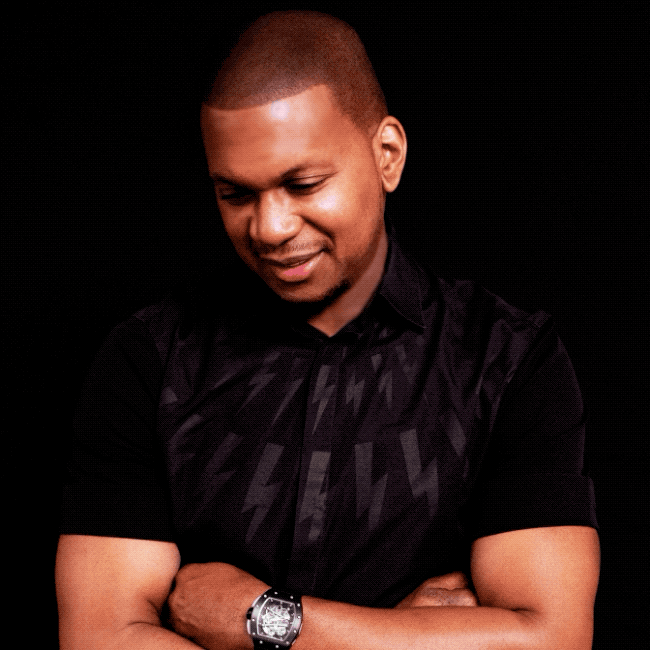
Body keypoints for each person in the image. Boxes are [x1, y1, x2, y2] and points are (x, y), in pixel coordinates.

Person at [56, 10, 599, 650]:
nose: (269, 227)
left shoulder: (506, 360)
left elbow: (550, 638)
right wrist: (397, 637)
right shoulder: (148, 359)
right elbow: (100, 638)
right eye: (235, 194)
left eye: (303, 184)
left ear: (387, 156)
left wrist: (259, 619)